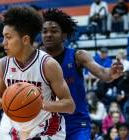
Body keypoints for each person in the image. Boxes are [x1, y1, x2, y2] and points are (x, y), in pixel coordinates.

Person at [41, 9, 123, 140]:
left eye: (54, 31)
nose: (48, 35)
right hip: (47, 123)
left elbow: (103, 72)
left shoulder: (78, 56)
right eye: (45, 31)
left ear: (64, 35)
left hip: (77, 123)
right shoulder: (36, 59)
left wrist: (111, 74)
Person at [0, 6, 75, 140]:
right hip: (16, 128)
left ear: (25, 40)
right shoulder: (3, 64)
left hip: (47, 129)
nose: (4, 43)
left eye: (8, 37)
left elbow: (69, 105)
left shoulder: (48, 65)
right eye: (4, 37)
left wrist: (39, 104)